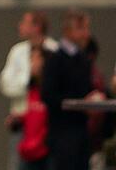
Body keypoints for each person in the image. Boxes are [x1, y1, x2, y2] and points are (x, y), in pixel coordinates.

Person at [42, 10, 102, 170]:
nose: (86, 34)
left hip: (81, 135)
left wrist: (95, 100)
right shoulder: (55, 60)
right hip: (62, 136)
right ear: (67, 31)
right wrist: (79, 104)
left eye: (87, 29)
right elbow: (48, 95)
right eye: (81, 28)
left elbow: (87, 89)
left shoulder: (83, 59)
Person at [0, 11, 58, 170]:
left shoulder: (55, 50)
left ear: (37, 27)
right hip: (22, 125)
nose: (19, 25)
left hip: (48, 127)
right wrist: (29, 77)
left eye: (24, 22)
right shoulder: (17, 52)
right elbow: (6, 85)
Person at [17, 46, 50, 170]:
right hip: (28, 151)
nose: (31, 64)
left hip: (46, 152)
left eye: (35, 59)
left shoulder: (51, 92)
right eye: (30, 59)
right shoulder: (29, 91)